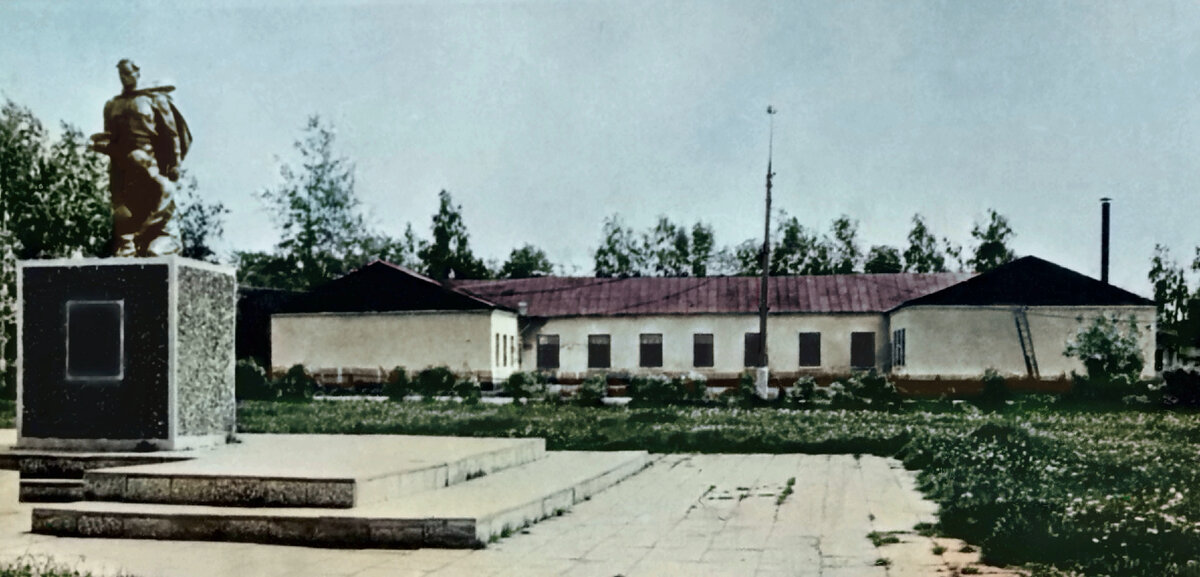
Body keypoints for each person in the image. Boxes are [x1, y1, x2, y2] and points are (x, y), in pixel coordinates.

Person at [90, 59, 192, 257]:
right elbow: (109, 136)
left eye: (128, 72)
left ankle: (157, 239)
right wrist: (102, 146)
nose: (124, 77)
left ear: (137, 72)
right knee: (123, 209)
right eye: (121, 74)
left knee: (155, 201)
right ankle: (126, 244)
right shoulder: (112, 105)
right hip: (122, 165)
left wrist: (175, 163)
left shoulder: (155, 99)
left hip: (149, 161)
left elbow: (171, 134)